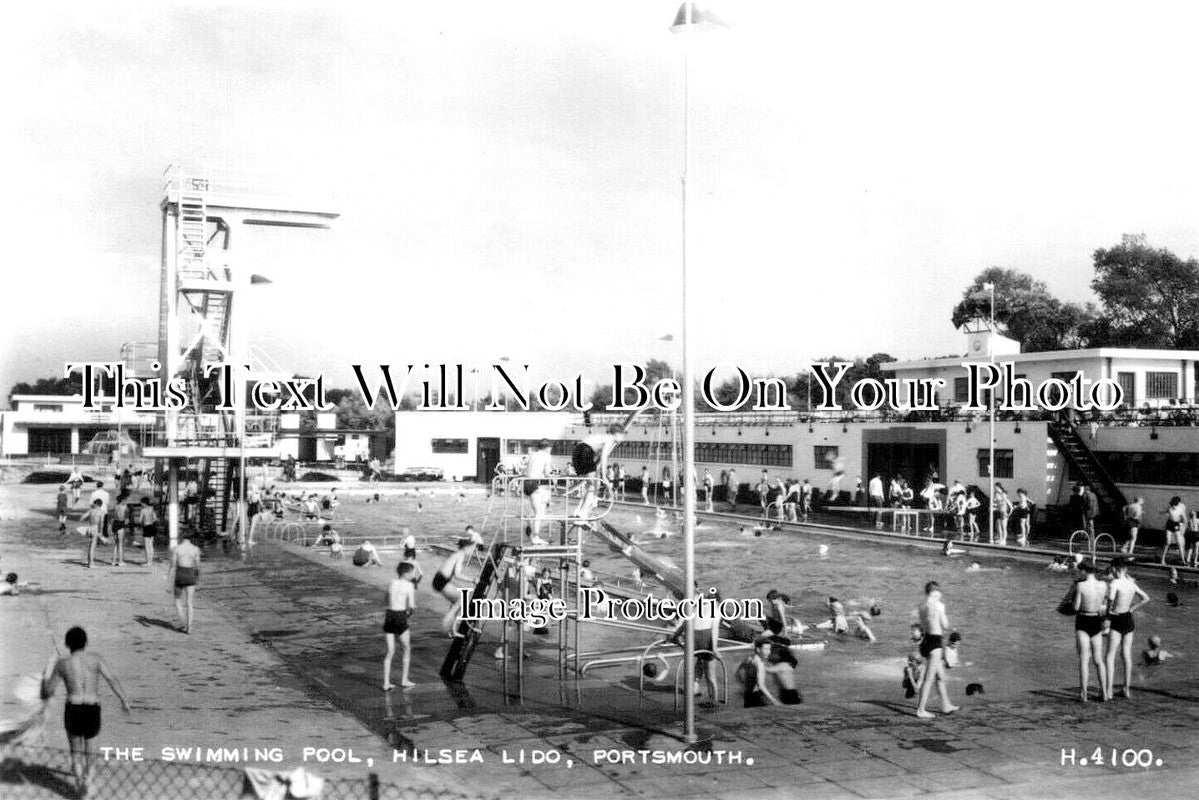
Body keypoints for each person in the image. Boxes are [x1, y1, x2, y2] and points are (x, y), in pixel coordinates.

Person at [41, 626, 132, 798]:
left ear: (67, 644)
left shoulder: (62, 664)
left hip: (73, 708)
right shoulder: (95, 660)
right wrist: (124, 700)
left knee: (75, 751)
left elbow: (48, 691)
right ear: (86, 642)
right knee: (91, 749)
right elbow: (111, 679)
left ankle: (79, 783)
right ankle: (88, 780)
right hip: (92, 707)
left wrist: (46, 674)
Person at [1104, 557, 1150, 699]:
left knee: (1110, 655)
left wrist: (1106, 620)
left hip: (1116, 618)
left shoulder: (1114, 583)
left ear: (1115, 569)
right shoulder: (1131, 583)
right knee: (1126, 654)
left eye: (1111, 567)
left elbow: (1109, 605)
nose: (1110, 570)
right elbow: (1146, 598)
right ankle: (1126, 689)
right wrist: (1131, 609)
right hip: (1128, 619)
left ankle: (1109, 690)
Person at [914, 581, 959, 718]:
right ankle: (921, 710)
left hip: (925, 641)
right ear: (935, 592)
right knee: (929, 679)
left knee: (940, 676)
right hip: (935, 643)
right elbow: (945, 625)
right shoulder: (939, 606)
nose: (940, 594)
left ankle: (946, 705)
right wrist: (951, 629)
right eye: (939, 591)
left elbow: (921, 625)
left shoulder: (921, 606)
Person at [434, 528, 483, 635]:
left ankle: (453, 629)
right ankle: (447, 627)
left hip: (440, 579)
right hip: (441, 580)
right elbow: (457, 575)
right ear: (466, 548)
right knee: (462, 599)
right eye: (472, 548)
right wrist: (473, 580)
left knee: (458, 603)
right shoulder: (460, 555)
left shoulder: (458, 554)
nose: (472, 551)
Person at [1072, 561, 1109, 701]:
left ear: (1083, 571)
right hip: (1096, 620)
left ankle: (1084, 694)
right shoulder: (1103, 585)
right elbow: (1103, 604)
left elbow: (1076, 607)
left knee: (1083, 659)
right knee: (1099, 660)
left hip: (1083, 620)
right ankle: (1104, 692)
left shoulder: (1080, 585)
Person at [382, 562, 417, 691]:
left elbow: (386, 600)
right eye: (412, 572)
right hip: (400, 616)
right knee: (406, 648)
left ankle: (386, 683)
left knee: (390, 651)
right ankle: (404, 680)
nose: (414, 575)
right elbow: (412, 606)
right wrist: (408, 614)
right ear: (406, 573)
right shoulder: (409, 585)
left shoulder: (392, 583)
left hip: (389, 615)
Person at [168, 532, 202, 633]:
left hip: (180, 574)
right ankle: (189, 626)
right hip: (191, 574)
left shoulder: (177, 549)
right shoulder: (196, 549)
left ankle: (183, 622)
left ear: (182, 537)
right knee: (189, 602)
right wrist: (198, 579)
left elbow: (173, 566)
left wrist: (168, 582)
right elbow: (198, 566)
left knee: (177, 599)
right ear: (191, 538)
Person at [524, 440, 554, 541]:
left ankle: (529, 525)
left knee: (535, 508)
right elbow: (547, 473)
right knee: (539, 512)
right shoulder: (547, 456)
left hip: (526, 482)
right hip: (534, 483)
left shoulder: (532, 454)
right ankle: (535, 536)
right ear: (547, 448)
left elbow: (530, 469)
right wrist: (554, 478)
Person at [1161, 497, 1188, 566]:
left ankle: (1183, 560)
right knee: (1168, 542)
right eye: (1179, 502)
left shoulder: (1180, 509)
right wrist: (1162, 512)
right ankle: (1162, 559)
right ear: (1176, 502)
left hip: (1176, 524)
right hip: (1169, 524)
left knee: (1179, 543)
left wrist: (1185, 526)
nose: (1180, 503)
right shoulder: (1170, 508)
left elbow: (1185, 518)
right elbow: (1165, 511)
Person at [80, 499, 105, 568]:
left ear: (96, 504)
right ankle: (91, 563)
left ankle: (89, 561)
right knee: (92, 546)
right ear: (101, 505)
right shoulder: (101, 512)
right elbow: (101, 522)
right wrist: (101, 532)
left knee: (89, 545)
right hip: (95, 528)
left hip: (89, 527)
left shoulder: (91, 510)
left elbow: (82, 517)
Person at [137, 497, 158, 567]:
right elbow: (155, 518)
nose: (141, 504)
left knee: (146, 545)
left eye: (141, 503)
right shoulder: (151, 509)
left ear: (144, 503)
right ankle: (151, 561)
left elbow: (140, 520)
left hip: (146, 527)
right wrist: (151, 522)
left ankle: (148, 562)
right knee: (151, 545)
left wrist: (140, 525)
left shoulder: (143, 510)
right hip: (152, 527)